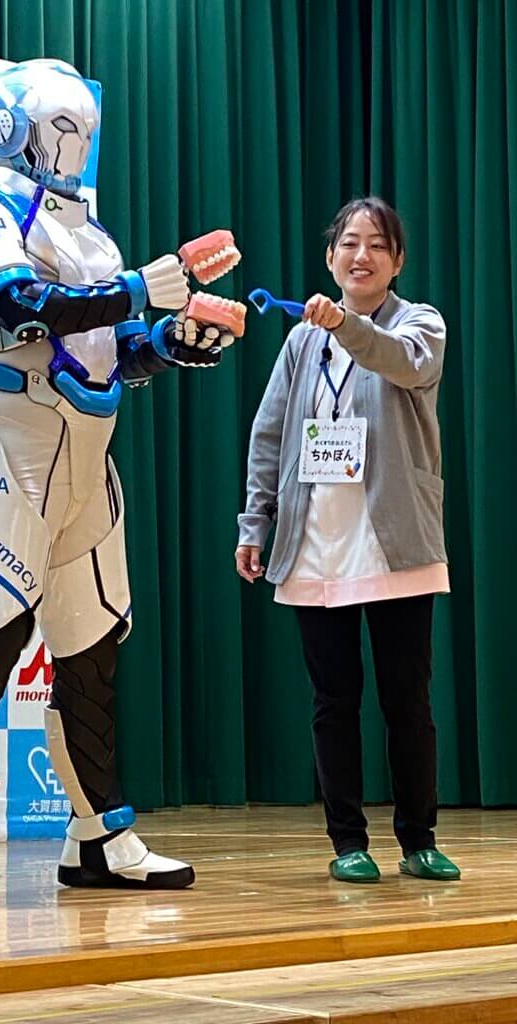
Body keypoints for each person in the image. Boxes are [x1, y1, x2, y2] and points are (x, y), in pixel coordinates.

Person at [0, 58, 241, 911]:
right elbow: (20, 307)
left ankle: (99, 833)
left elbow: (106, 352)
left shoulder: (93, 237)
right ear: (13, 127)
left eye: (82, 129)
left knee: (91, 647)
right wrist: (137, 290)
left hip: (87, 449)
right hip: (12, 434)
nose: (74, 146)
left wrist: (170, 343)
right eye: (59, 128)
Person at [236, 197, 461, 884]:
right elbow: (269, 434)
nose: (362, 256)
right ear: (330, 257)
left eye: (378, 245)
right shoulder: (301, 341)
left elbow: (402, 364)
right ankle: (347, 842)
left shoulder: (419, 323)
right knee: (333, 701)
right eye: (350, 243)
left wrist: (346, 326)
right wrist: (255, 522)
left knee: (407, 699)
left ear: (398, 262)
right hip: (317, 544)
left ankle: (419, 839)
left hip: (396, 543)